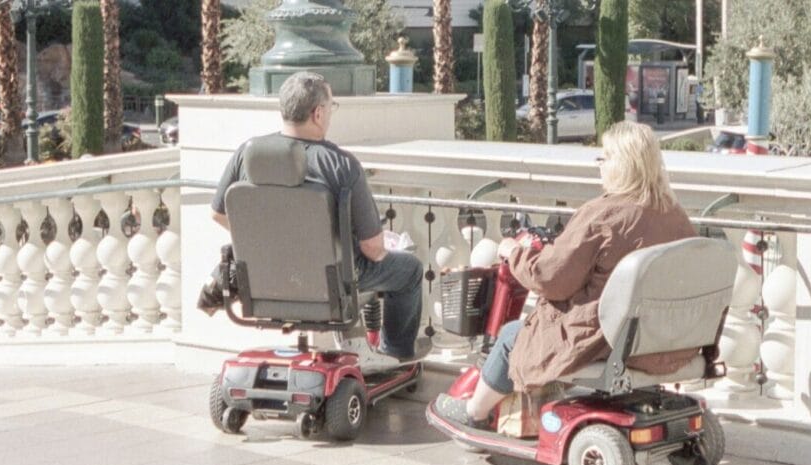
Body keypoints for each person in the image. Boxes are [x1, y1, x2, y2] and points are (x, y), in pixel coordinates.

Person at [435, 121, 698, 428]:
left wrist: (513, 252)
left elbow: (552, 280)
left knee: (510, 337)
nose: (600, 164)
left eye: (605, 157)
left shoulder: (604, 216)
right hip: (664, 338)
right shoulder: (674, 213)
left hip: (606, 337)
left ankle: (474, 413)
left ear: (624, 166)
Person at [204, 71, 423, 359]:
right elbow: (373, 248)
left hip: (266, 275)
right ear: (318, 113)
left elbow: (218, 214)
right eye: (331, 107)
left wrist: (269, 245)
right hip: (331, 281)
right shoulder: (341, 165)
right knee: (410, 269)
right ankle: (397, 353)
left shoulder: (247, 153)